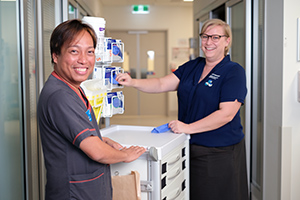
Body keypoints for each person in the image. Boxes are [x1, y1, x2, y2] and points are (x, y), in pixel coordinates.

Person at [116, 18, 249, 200]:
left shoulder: (234, 71)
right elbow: (161, 83)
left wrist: (187, 127)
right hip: (188, 146)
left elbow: (226, 114)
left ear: (227, 41)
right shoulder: (193, 66)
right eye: (205, 36)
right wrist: (133, 82)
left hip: (219, 153)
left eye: (215, 37)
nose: (209, 42)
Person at [37, 19, 146, 200]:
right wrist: (124, 154)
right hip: (74, 194)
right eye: (74, 51)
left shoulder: (73, 88)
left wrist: (101, 139)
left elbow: (72, 131)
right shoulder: (60, 95)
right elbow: (96, 152)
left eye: (89, 52)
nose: (83, 60)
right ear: (55, 55)